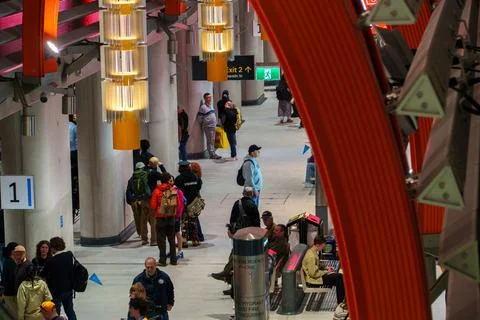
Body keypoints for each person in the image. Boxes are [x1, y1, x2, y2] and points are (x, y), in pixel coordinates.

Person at [211, 187, 261, 296]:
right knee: (238, 260)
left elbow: (232, 219)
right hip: (249, 236)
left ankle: (228, 277)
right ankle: (231, 282)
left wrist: (231, 231)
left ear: (243, 193)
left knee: (235, 257)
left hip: (239, 235)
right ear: (252, 194)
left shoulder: (237, 203)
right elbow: (257, 223)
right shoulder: (253, 206)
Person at [151, 173, 185, 266]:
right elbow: (178, 204)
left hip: (160, 218)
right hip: (171, 218)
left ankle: (162, 260)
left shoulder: (157, 191)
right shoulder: (173, 190)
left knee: (161, 241)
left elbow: (153, 205)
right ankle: (173, 260)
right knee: (171, 240)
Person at [302, 236, 345, 304]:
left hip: (317, 277)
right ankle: (341, 303)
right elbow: (313, 274)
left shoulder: (312, 251)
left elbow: (317, 265)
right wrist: (326, 272)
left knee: (339, 278)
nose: (323, 248)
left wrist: (326, 267)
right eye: (323, 246)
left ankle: (341, 301)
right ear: (318, 245)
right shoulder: (311, 256)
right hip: (314, 280)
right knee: (339, 277)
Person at [42, 237, 77, 320]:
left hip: (56, 292)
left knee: (55, 313)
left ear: (53, 247)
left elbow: (44, 274)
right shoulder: (69, 255)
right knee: (70, 311)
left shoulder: (51, 261)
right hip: (68, 289)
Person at [174, 161, 203, 249]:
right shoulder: (195, 176)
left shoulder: (179, 178)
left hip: (184, 203)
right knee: (193, 222)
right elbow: (199, 186)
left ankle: (184, 241)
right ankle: (195, 240)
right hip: (194, 203)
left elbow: (178, 192)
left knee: (184, 223)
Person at [127, 162, 152, 246]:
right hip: (145, 199)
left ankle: (142, 235)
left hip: (135, 201)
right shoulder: (146, 175)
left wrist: (132, 200)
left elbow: (128, 191)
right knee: (149, 217)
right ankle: (153, 235)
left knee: (139, 218)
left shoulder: (132, 178)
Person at [198, 92, 221, 159]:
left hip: (213, 126)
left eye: (210, 97)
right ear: (205, 98)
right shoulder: (203, 107)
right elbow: (200, 118)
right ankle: (212, 154)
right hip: (208, 126)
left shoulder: (211, 106)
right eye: (208, 98)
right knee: (210, 140)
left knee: (213, 140)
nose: (209, 99)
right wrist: (204, 123)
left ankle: (213, 153)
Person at [1, 241, 19, 317]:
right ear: (12, 251)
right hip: (11, 294)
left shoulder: (9, 262)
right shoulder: (10, 263)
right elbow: (13, 279)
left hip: (11, 293)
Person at [189, 161, 205, 242]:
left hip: (192, 201)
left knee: (194, 219)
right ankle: (198, 235)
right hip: (197, 200)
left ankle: (199, 235)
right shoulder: (199, 179)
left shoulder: (193, 178)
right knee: (195, 218)